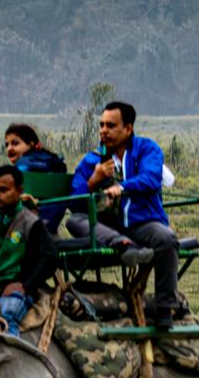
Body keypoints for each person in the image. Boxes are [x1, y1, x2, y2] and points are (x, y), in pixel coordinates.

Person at [74, 101, 182, 327]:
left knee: (166, 238)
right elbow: (75, 200)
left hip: (141, 221)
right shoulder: (94, 159)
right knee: (75, 221)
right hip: (107, 227)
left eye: (111, 126)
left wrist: (122, 187)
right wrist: (93, 180)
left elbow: (151, 177)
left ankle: (165, 309)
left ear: (128, 128)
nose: (104, 130)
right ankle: (124, 245)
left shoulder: (146, 149)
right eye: (102, 125)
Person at [0, 165, 55, 342]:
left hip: (14, 293)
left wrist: (25, 286)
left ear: (19, 191)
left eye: (3, 190)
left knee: (8, 317)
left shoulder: (30, 223)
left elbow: (50, 256)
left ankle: (13, 361)